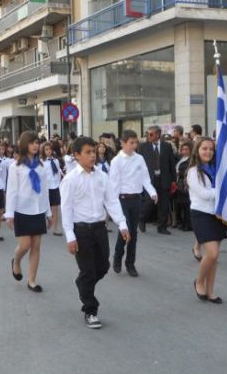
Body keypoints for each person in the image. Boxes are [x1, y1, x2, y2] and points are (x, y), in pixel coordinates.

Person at [60, 137, 130, 329]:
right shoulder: (70, 180)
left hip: (99, 228)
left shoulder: (102, 176)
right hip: (80, 230)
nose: (93, 155)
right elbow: (66, 210)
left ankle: (82, 282)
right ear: (76, 155)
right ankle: (90, 309)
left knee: (103, 267)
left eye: (94, 152)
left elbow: (112, 201)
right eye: (88, 152)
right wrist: (70, 237)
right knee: (89, 270)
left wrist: (122, 223)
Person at [6, 131, 52, 293]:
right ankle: (16, 261)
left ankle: (32, 280)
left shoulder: (41, 165)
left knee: (36, 246)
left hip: (38, 209)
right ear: (25, 145)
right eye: (32, 142)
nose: (35, 145)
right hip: (21, 210)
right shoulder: (16, 166)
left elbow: (44, 190)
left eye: (37, 142)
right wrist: (9, 214)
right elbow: (11, 191)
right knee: (25, 245)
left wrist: (48, 213)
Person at [108, 130, 157, 277]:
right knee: (126, 231)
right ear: (123, 143)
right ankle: (118, 257)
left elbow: (145, 179)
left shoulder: (139, 159)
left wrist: (152, 192)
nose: (134, 146)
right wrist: (112, 204)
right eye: (131, 143)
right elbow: (113, 184)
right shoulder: (116, 161)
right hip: (122, 200)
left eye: (136, 143)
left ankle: (130, 264)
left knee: (133, 233)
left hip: (136, 199)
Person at [188, 137, 226, 304]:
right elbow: (203, 194)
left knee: (214, 258)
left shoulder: (216, 169)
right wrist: (222, 190)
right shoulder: (192, 171)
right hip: (201, 214)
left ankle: (211, 291)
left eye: (211, 149)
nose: (208, 152)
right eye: (204, 148)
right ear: (197, 150)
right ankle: (199, 281)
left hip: (217, 215)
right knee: (212, 253)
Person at [138, 125, 176, 235]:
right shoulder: (143, 147)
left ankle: (162, 227)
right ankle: (142, 219)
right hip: (149, 180)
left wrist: (173, 179)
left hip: (164, 179)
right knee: (149, 202)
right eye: (147, 134)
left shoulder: (167, 146)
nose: (148, 136)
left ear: (158, 134)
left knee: (164, 204)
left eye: (151, 134)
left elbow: (171, 163)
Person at [41, 141, 64, 236]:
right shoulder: (42, 162)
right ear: (43, 151)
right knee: (46, 207)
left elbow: (58, 172)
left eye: (50, 149)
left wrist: (60, 184)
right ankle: (46, 222)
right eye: (46, 149)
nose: (48, 151)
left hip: (55, 186)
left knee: (55, 207)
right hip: (46, 187)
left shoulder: (56, 161)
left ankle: (55, 228)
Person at [174, 141, 193, 233]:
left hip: (186, 184)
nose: (184, 151)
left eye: (186, 149)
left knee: (187, 205)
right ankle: (184, 222)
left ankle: (188, 224)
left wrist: (180, 173)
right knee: (182, 205)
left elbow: (188, 171)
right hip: (180, 184)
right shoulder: (182, 158)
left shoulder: (191, 160)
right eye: (183, 149)